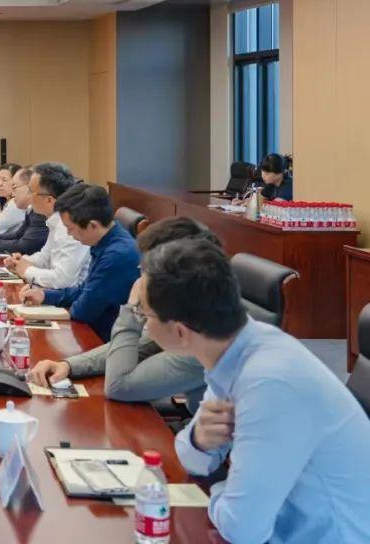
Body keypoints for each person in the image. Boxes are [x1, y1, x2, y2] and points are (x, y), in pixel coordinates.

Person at [141, 239, 370, 544]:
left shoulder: (268, 382)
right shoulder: (234, 350)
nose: (142, 322)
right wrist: (198, 440)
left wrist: (221, 490)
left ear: (181, 332)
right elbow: (193, 458)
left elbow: (242, 529)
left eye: (143, 313)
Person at [27, 217, 218, 413]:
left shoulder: (202, 339)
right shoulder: (193, 311)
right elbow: (143, 344)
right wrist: (68, 365)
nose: (140, 279)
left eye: (145, 271)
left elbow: (119, 386)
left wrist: (133, 307)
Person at [19, 183, 139, 342]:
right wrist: (44, 295)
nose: (69, 234)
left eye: (70, 228)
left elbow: (83, 311)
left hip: (105, 339)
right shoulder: (104, 240)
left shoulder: (116, 256)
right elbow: (85, 289)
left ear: (92, 225)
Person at [4, 162, 89, 289]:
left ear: (49, 200)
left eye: (30, 191)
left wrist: (27, 271)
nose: (28, 196)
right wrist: (23, 261)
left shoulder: (69, 227)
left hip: (72, 297)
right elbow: (46, 257)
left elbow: (62, 280)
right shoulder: (55, 219)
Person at [0, 166, 47, 255]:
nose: (13, 194)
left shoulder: (41, 213)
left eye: (14, 188)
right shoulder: (31, 210)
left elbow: (25, 245)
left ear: (28, 187)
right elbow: (18, 235)